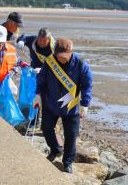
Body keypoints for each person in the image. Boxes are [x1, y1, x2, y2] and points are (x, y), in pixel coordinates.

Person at [34, 38, 92, 173]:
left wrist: (85, 104)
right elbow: (41, 80)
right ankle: (55, 150)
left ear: (71, 52)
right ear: (55, 53)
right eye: (59, 56)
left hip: (70, 107)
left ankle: (67, 162)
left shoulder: (81, 64)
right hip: (50, 103)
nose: (62, 59)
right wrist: (37, 96)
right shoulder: (50, 62)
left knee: (71, 135)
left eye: (65, 57)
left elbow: (87, 85)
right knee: (46, 128)